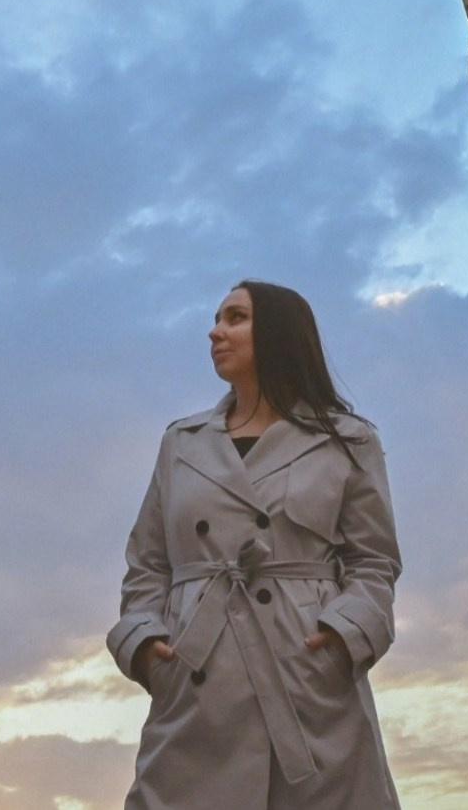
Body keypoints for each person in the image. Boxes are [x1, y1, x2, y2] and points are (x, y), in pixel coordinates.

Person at [110, 280, 402, 809]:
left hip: (308, 680)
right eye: (218, 318)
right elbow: (148, 563)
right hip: (197, 680)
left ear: (278, 332)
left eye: (235, 317)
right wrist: (147, 646)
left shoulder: (348, 440)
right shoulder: (182, 442)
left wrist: (341, 639)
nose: (215, 331)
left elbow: (374, 562)